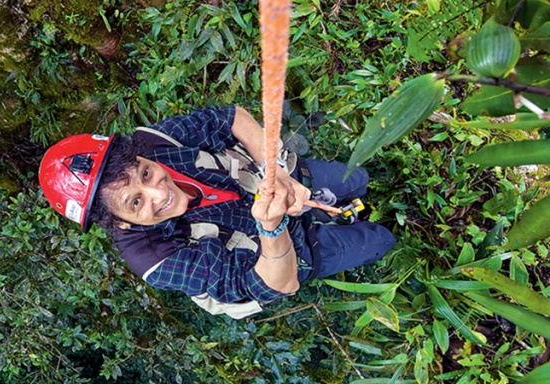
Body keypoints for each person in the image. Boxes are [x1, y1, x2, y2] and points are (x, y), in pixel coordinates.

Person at [39, 105, 396, 319]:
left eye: (145, 173)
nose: (159, 192)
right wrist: (272, 228)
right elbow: (279, 284)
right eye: (136, 202)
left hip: (282, 179)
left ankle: (381, 191)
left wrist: (280, 174)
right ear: (118, 222)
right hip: (291, 253)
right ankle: (388, 224)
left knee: (359, 178)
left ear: (138, 155)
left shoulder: (153, 143)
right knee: (379, 240)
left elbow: (230, 118)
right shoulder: (156, 259)